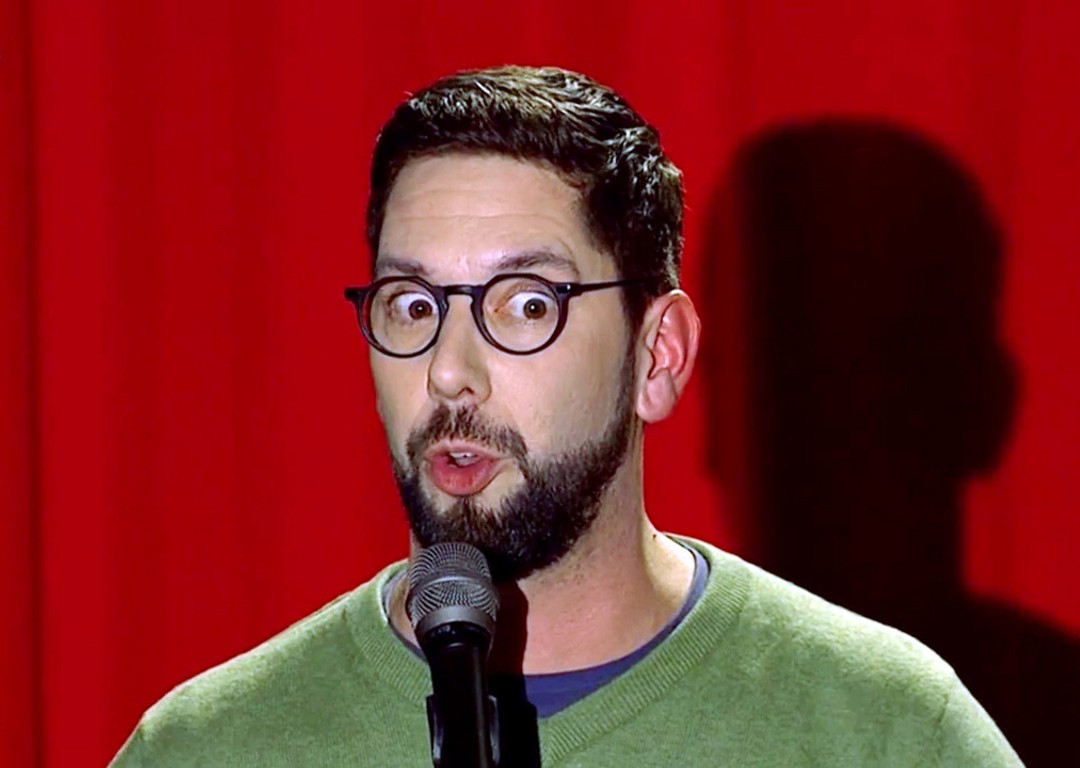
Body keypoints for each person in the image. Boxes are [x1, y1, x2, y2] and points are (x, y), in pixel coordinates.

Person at [110, 66, 1021, 767]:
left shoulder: (883, 729)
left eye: (525, 304)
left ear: (657, 357)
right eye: (413, 306)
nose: (449, 373)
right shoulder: (211, 746)